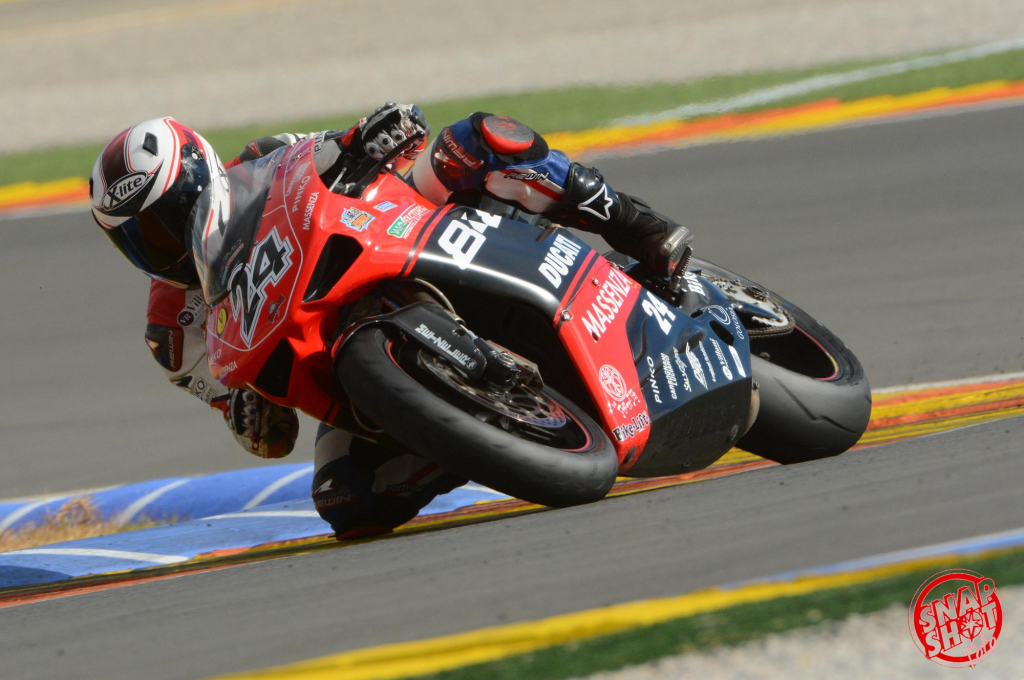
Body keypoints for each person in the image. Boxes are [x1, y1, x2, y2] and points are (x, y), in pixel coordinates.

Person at [89, 104, 691, 538]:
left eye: (167, 216)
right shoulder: (173, 335)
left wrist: (380, 132)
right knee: (345, 500)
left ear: (200, 171)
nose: (162, 241)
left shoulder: (262, 157)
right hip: (345, 360)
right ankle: (478, 437)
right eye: (139, 238)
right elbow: (270, 439)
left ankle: (636, 225)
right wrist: (248, 410)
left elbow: (361, 147)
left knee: (474, 140)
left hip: (393, 233)